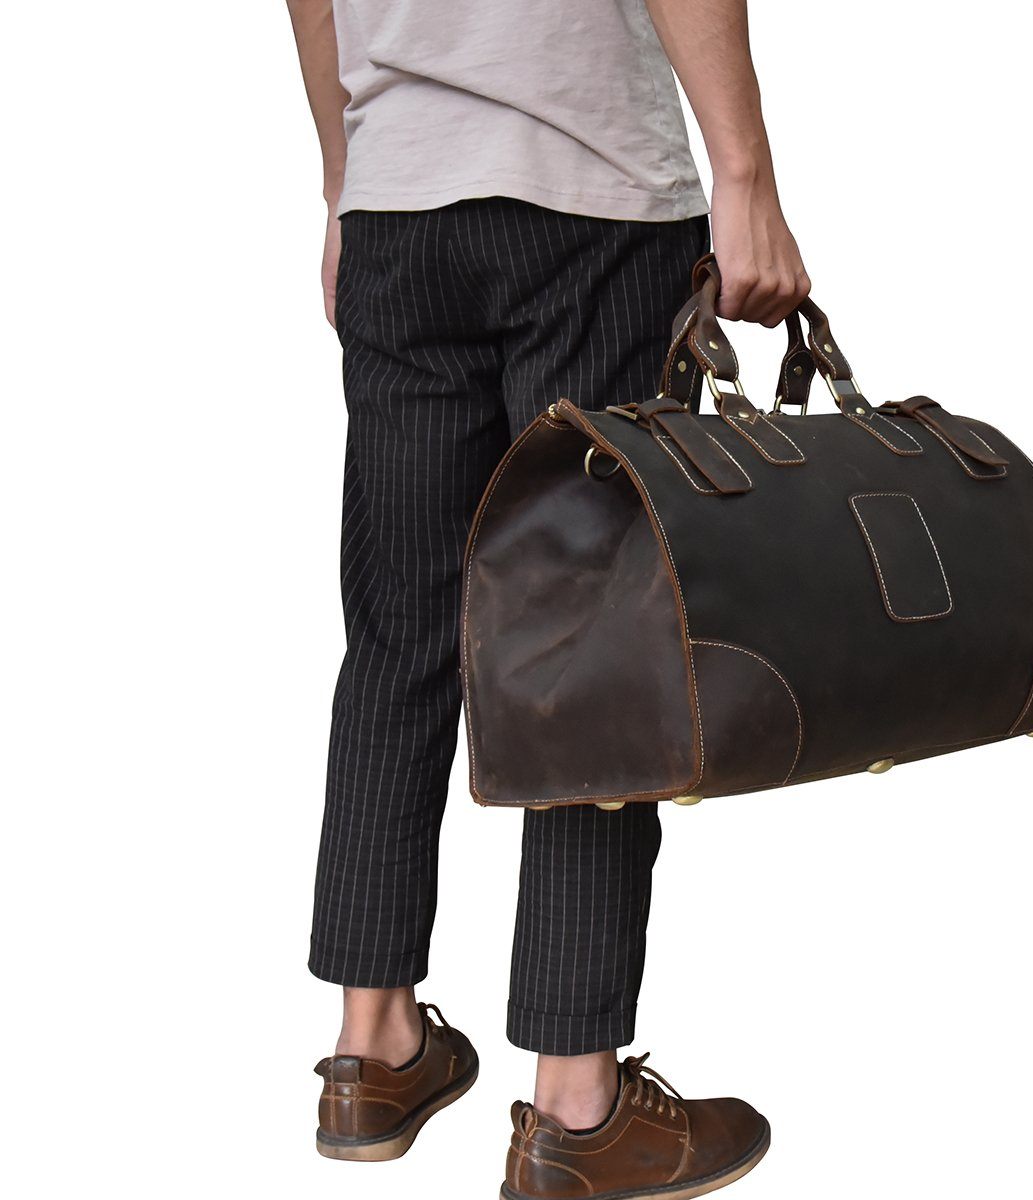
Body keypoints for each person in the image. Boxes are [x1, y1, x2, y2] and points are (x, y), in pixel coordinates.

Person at [286, 1, 810, 1195]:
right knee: (590, 653)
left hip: (399, 208)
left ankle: (371, 1048)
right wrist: (745, 176)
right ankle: (577, 1105)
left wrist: (346, 184)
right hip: (588, 192)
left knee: (400, 632)